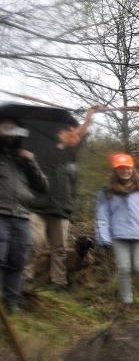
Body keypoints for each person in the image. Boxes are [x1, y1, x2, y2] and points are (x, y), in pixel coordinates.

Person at [24, 109, 94, 291]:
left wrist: (88, 118)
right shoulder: (41, 150)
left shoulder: (70, 157)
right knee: (33, 244)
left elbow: (78, 135)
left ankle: (59, 283)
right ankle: (24, 280)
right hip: (36, 207)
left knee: (60, 249)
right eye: (67, 132)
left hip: (60, 209)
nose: (73, 134)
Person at [95, 153, 139, 313]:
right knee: (123, 269)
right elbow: (102, 216)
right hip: (119, 236)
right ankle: (127, 302)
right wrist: (104, 238)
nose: (124, 171)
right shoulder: (106, 192)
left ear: (132, 169)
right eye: (120, 168)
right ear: (115, 170)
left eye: (127, 168)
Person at [0, 119, 47, 312]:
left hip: (21, 215)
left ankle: (11, 304)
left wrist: (30, 161)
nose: (11, 131)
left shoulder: (23, 159)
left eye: (14, 128)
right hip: (0, 213)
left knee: (17, 262)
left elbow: (43, 186)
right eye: (6, 127)